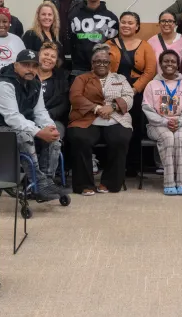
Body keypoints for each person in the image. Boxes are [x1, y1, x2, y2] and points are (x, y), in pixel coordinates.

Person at [0, 49, 66, 201]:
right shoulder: (4, 84)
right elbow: (13, 118)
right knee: (25, 136)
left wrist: (50, 128)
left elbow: (40, 112)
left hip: (19, 127)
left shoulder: (35, 83)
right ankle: (38, 183)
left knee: (54, 136)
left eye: (34, 66)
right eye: (26, 65)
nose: (30, 69)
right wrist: (39, 132)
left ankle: (47, 181)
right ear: (16, 65)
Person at [68, 44, 134, 195]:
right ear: (92, 64)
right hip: (87, 118)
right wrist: (96, 108)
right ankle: (84, 184)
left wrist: (113, 107)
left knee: (120, 139)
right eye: (98, 61)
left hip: (116, 117)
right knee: (80, 138)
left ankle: (110, 182)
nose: (101, 64)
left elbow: (129, 97)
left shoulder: (120, 78)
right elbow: (75, 97)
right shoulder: (81, 78)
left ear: (110, 64)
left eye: (105, 62)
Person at [142, 50, 182, 195]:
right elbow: (147, 108)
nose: (169, 64)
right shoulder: (152, 85)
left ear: (178, 65)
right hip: (157, 124)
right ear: (160, 64)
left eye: (173, 61)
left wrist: (180, 121)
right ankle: (169, 182)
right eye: (166, 61)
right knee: (168, 137)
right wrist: (164, 121)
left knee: (179, 138)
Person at [108, 11, 157, 176]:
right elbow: (101, 67)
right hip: (113, 92)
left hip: (137, 92)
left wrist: (134, 89)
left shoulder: (145, 45)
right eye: (123, 22)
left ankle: (133, 166)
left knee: (135, 128)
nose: (126, 25)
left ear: (137, 26)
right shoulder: (108, 44)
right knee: (115, 126)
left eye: (130, 23)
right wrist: (113, 90)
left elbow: (150, 71)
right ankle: (115, 165)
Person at [67, 0, 119, 77]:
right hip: (79, 69)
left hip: (102, 68)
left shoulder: (111, 18)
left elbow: (114, 46)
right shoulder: (74, 16)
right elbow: (70, 41)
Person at [38, 42, 69, 178]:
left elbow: (63, 104)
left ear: (56, 61)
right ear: (39, 56)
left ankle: (47, 178)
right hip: (27, 119)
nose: (48, 58)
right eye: (46, 54)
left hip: (53, 119)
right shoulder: (28, 75)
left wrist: (45, 117)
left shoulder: (62, 79)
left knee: (54, 136)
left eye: (53, 56)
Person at [147, 10, 182, 76]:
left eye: (170, 21)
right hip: (158, 80)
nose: (166, 24)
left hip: (179, 80)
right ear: (159, 23)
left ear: (175, 23)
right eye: (163, 21)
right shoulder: (151, 42)